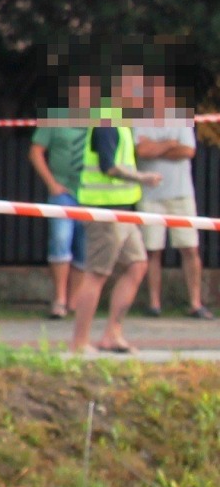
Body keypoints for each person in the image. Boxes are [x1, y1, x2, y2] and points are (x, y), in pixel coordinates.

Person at [70, 68, 162, 355]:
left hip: (123, 210)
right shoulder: (107, 122)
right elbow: (109, 166)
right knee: (97, 273)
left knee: (137, 265)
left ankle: (112, 334)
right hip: (104, 210)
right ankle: (79, 342)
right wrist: (143, 178)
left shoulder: (120, 122)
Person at [134, 76, 208, 319]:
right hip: (150, 194)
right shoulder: (139, 119)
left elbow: (188, 151)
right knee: (153, 250)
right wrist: (169, 144)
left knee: (189, 248)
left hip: (180, 193)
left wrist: (157, 147)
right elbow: (141, 151)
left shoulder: (180, 116)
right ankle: (154, 304)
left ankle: (195, 303)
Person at [29, 75, 95, 318]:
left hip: (92, 194)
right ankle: (59, 298)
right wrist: (52, 184)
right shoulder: (55, 117)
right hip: (63, 193)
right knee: (60, 239)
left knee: (84, 248)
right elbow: (36, 152)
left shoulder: (102, 121)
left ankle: (74, 302)